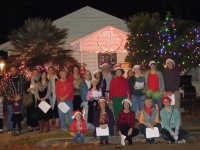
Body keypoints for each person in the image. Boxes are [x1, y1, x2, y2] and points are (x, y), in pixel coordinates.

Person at [4, 66, 26, 132]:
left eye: (14, 70)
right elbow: (5, 90)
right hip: (12, 101)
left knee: (19, 114)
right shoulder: (8, 80)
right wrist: (8, 96)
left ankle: (17, 127)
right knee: (11, 114)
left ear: (17, 70)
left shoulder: (22, 78)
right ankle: (10, 127)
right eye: (11, 71)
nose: (12, 72)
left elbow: (26, 86)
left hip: (20, 100)